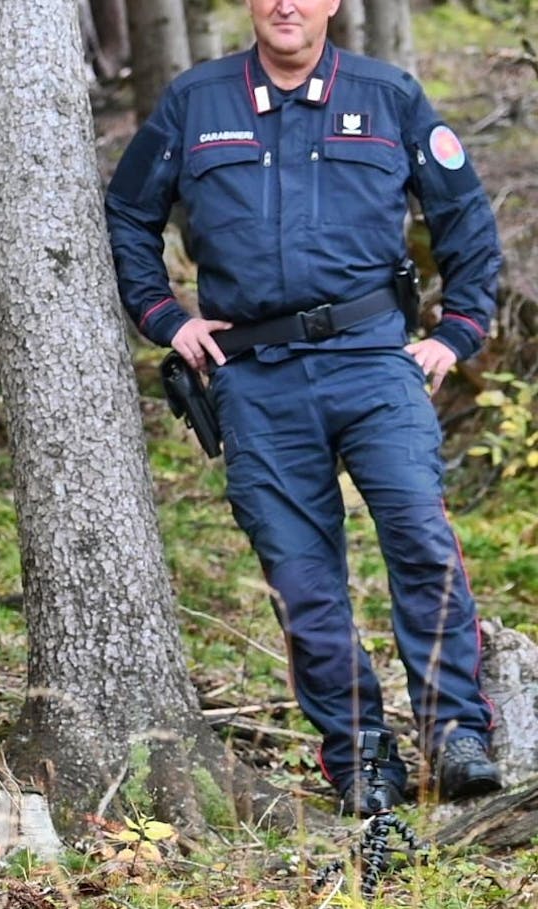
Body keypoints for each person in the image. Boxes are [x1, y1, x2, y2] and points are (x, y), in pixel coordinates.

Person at [105, 0, 503, 816]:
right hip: (255, 374)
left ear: (330, 6)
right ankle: (358, 751)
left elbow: (464, 215)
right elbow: (128, 215)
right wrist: (165, 318)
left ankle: (455, 730)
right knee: (302, 579)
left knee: (422, 540)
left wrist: (456, 332)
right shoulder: (196, 101)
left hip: (373, 361)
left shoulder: (389, 95)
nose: (287, 4)